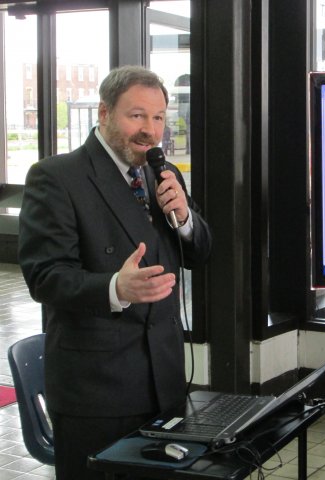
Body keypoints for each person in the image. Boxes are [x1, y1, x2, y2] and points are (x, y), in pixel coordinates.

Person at [18, 65, 212, 479]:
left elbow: (201, 252)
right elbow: (45, 276)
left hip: (164, 378)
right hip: (97, 390)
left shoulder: (164, 172)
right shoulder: (57, 177)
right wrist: (114, 287)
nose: (150, 130)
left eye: (159, 117)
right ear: (104, 113)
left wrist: (184, 219)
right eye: (136, 115)